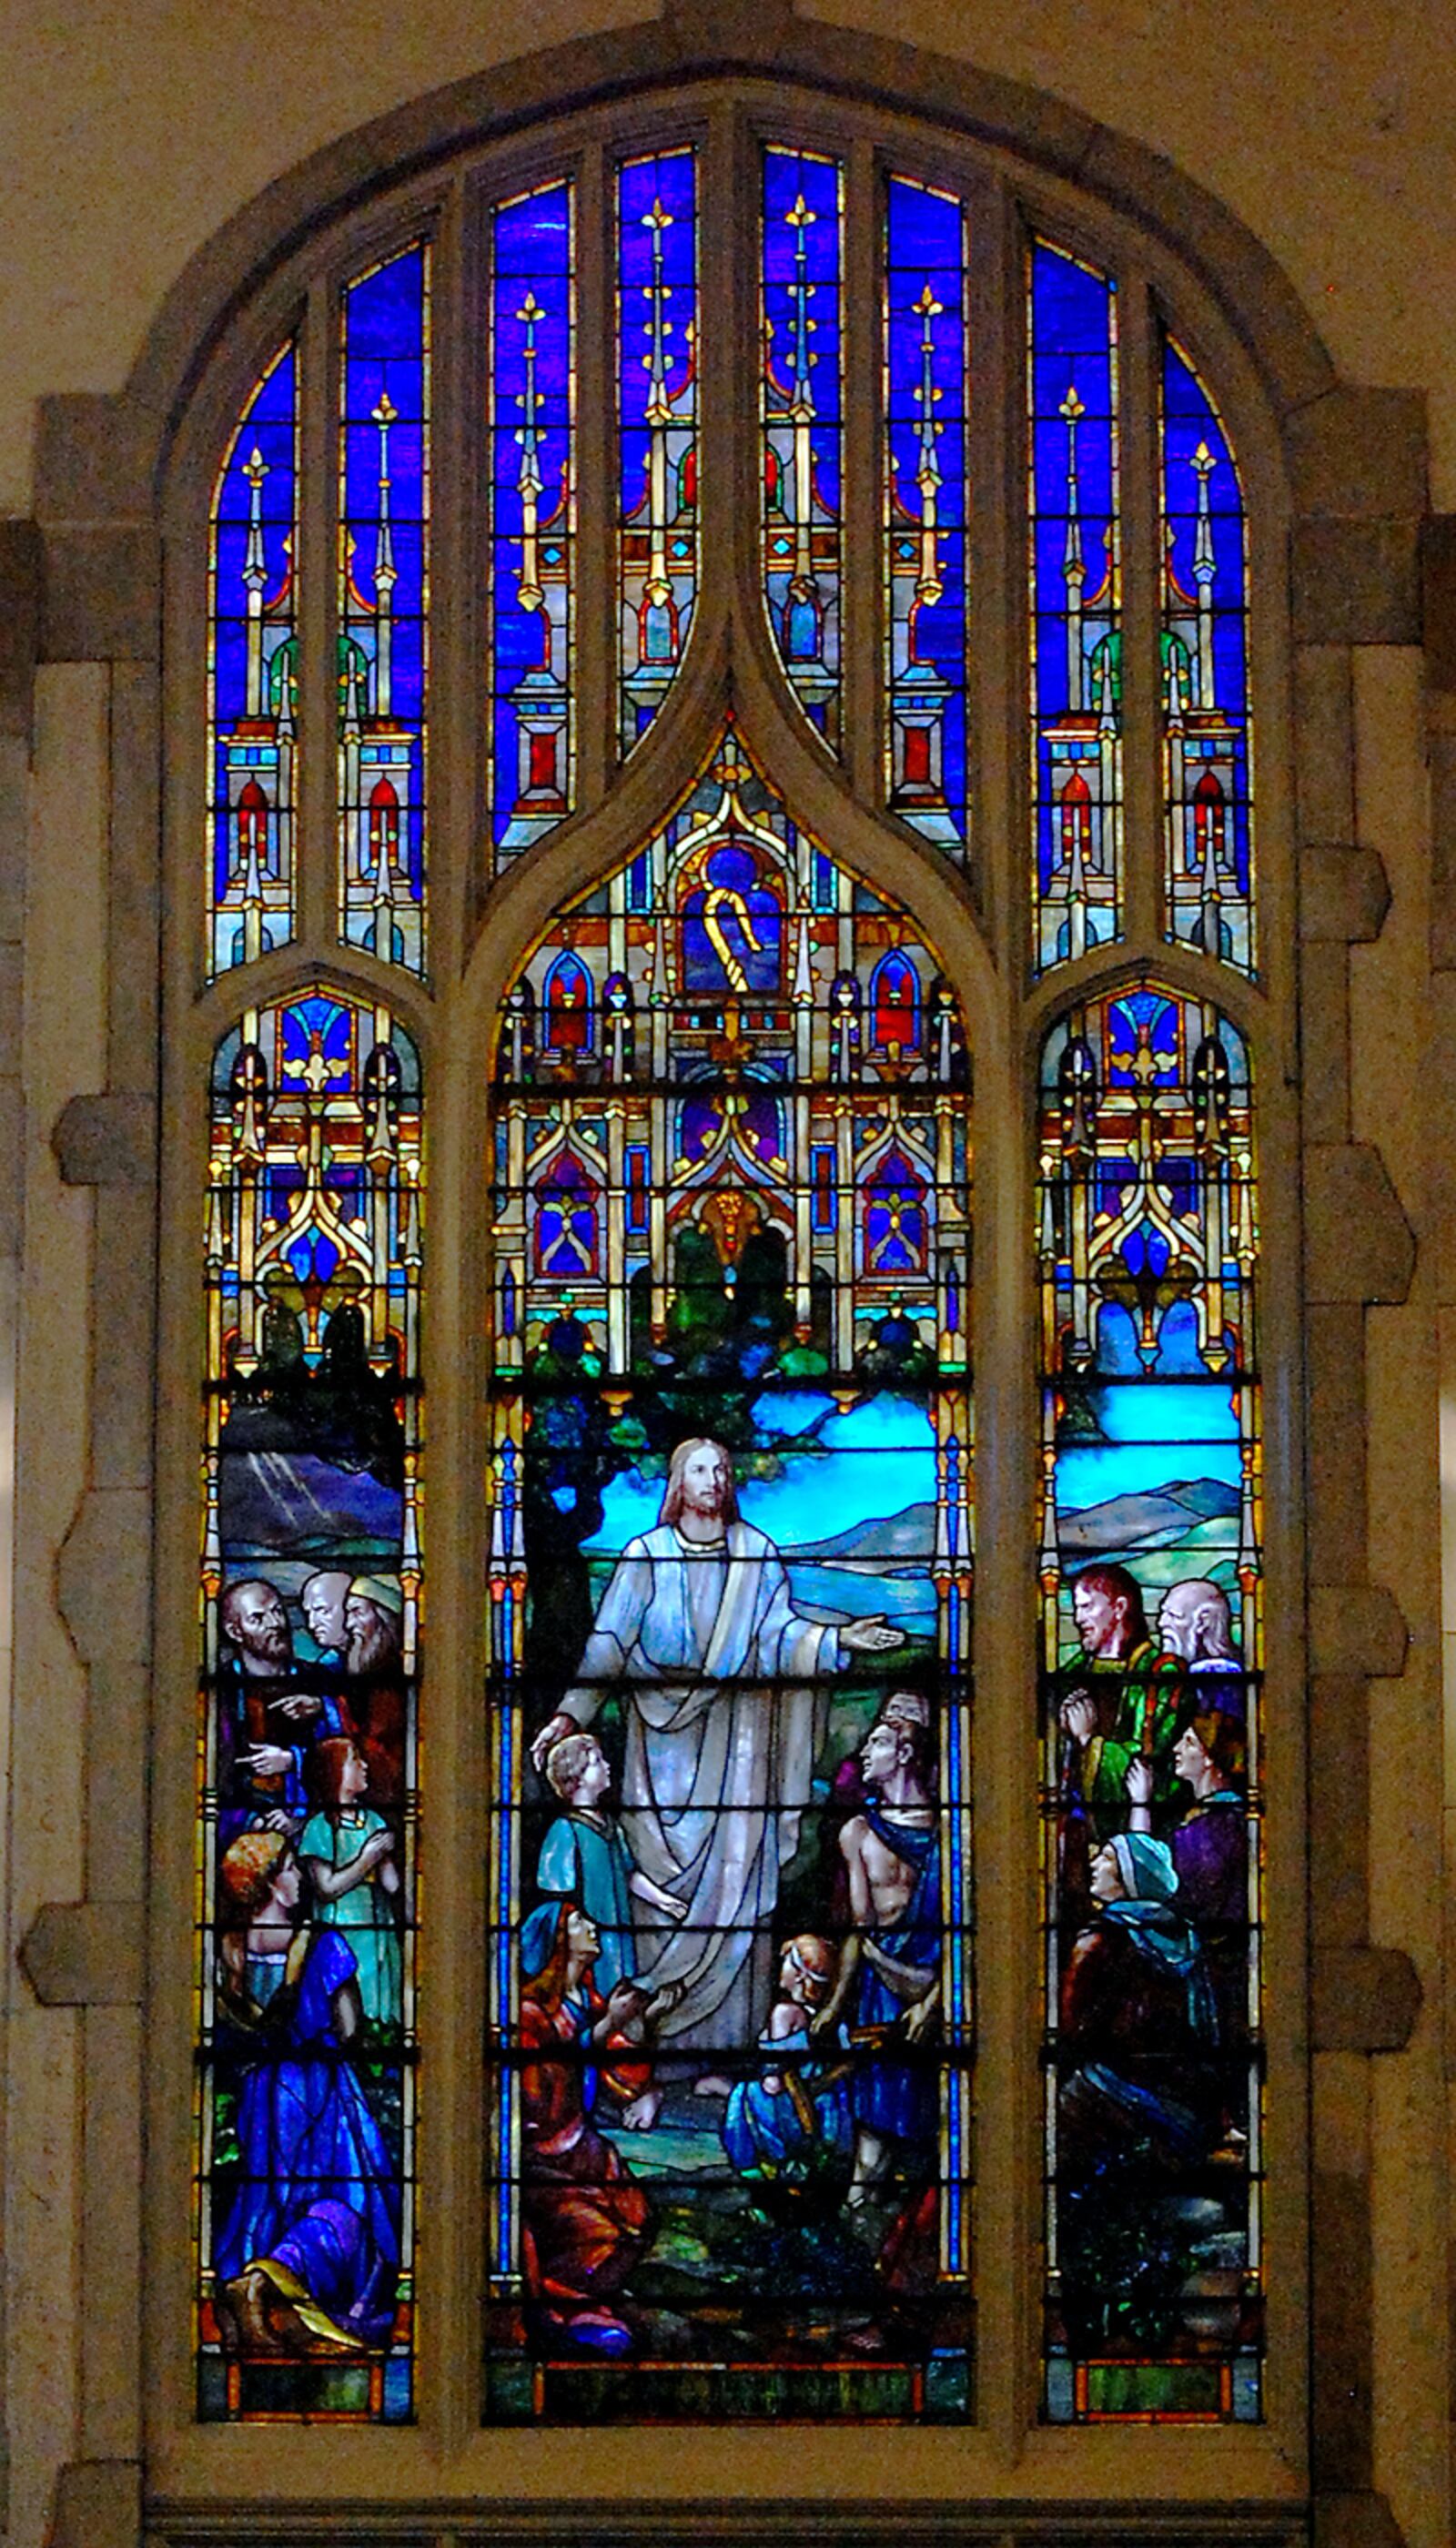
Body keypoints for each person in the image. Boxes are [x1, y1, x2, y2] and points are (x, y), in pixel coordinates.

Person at [529, 1437, 904, 2052]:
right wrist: (571, 1715)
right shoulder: (644, 1556)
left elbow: (780, 1635)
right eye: (700, 1469)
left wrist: (839, 1640)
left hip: (738, 1755)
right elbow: (608, 1648)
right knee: (655, 1895)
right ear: (678, 1480)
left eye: (723, 1469)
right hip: (658, 1763)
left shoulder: (755, 1554)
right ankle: (648, 2054)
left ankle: (730, 2055)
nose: (715, 1479)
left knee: (739, 1888)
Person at [212, 1831, 400, 2357]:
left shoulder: (230, 1954)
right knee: (348, 2204)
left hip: (263, 2101)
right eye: (291, 1868)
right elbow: (348, 2028)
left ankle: (262, 2289)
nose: (299, 1878)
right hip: (322, 2096)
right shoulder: (322, 1947)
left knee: (269, 2200)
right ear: (271, 1884)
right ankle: (278, 2287)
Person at [517, 1901, 662, 2354]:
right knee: (596, 2234)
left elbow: (623, 2068)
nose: (593, 1925)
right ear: (559, 1940)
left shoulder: (588, 2000)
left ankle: (595, 2300)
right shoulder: (529, 2013)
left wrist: (642, 2026)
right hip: (545, 2159)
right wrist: (602, 2032)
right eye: (581, 1921)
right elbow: (537, 2097)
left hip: (588, 2150)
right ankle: (569, 2308)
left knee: (639, 2222)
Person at [818, 1713, 940, 2206]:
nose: (865, 1753)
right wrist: (835, 2003)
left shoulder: (950, 1829)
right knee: (872, 2129)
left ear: (905, 1755)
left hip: (937, 1982)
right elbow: (860, 1931)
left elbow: (968, 1931)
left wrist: (934, 2000)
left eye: (878, 1743)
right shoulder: (857, 1834)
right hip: (880, 1995)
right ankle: (858, 2218)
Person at [537, 1730, 688, 1996]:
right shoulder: (565, 1831)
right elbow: (557, 1900)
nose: (606, 1766)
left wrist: (662, 1899)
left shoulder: (611, 1827)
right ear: (577, 1777)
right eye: (597, 1761)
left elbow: (628, 1874)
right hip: (588, 1942)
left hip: (620, 1936)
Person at [722, 1932, 852, 2183]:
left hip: (789, 2109)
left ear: (801, 1975)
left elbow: (774, 2081)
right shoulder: (831, 2021)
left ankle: (751, 2169)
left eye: (787, 1962)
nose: (781, 1967)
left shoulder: (785, 2014)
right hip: (825, 2106)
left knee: (741, 2094)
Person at [297, 1735, 401, 2030]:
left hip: (377, 1932)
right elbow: (326, 1888)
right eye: (356, 1760)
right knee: (346, 2013)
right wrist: (368, 1858)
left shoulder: (373, 1821)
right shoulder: (319, 1828)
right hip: (340, 1935)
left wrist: (386, 1859)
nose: (365, 1766)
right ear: (335, 1771)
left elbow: (392, 1886)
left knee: (377, 2011)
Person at [217, 1576, 323, 1835]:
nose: (275, 1624)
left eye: (277, 1612)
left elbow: (350, 1755)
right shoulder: (223, 1691)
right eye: (258, 1618)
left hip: (314, 1827)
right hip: (247, 1827)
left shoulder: (317, 1681)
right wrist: (254, 1821)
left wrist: (293, 1761)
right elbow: (215, 1772)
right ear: (235, 1631)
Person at [340, 1572, 408, 1809]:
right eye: (348, 1614)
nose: (349, 1625)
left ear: (384, 1616)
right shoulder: (361, 1675)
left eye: (358, 1612)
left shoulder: (396, 1676)